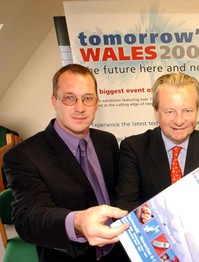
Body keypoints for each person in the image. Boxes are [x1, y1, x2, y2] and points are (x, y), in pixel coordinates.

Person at [3, 64, 130, 262]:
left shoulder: (107, 141)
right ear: (55, 102)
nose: (80, 107)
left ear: (97, 102)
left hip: (118, 253)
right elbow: (28, 218)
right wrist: (77, 222)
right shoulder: (23, 155)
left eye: (88, 98)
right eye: (69, 98)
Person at [113, 72, 199, 211]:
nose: (179, 121)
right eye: (169, 111)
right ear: (156, 112)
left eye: (187, 111)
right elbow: (126, 206)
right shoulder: (134, 149)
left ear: (197, 112)